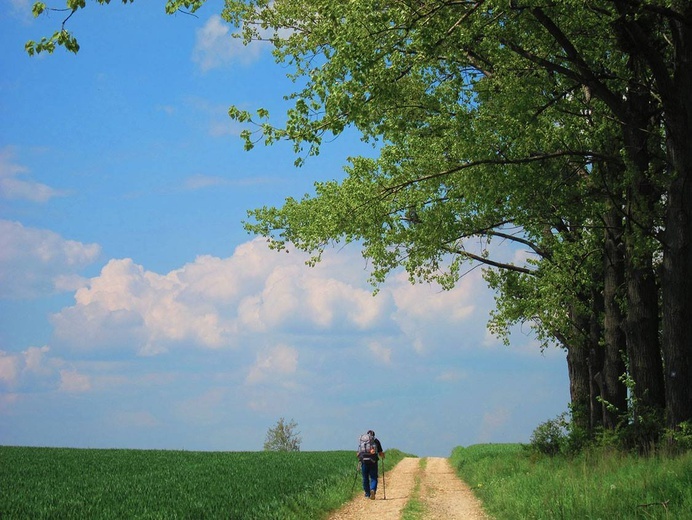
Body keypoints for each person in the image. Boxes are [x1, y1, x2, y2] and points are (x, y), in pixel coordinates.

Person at [357, 430, 385, 500]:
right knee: (373, 477)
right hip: (373, 461)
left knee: (365, 478)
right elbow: (380, 453)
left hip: (364, 462)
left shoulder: (363, 441)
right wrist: (383, 456)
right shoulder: (376, 441)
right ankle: (373, 489)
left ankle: (367, 494)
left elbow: (358, 453)